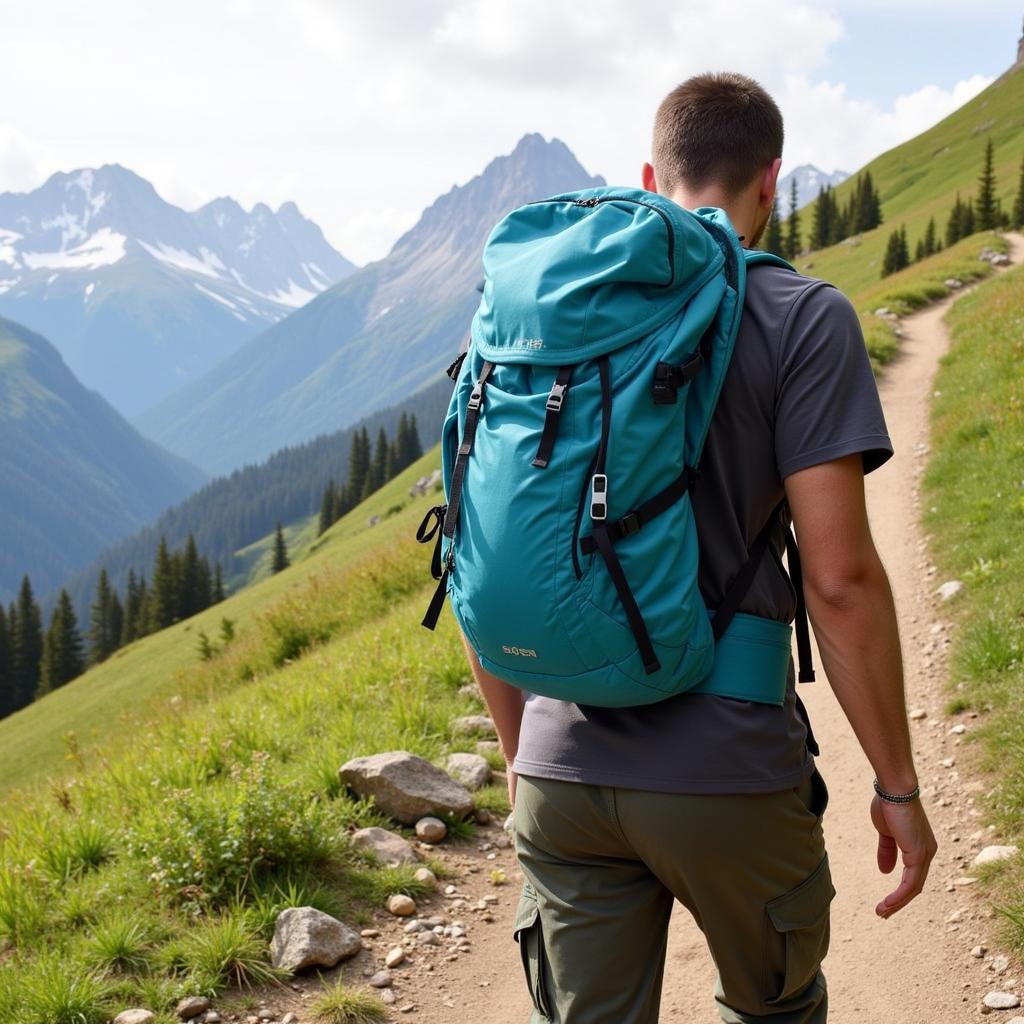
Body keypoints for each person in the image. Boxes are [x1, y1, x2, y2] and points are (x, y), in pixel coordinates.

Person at [459, 71, 937, 1024]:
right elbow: (839, 584)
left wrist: (524, 755)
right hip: (726, 764)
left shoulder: (546, 315)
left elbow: (493, 542)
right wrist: (896, 786)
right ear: (770, 181)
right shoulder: (801, 315)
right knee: (774, 1010)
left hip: (560, 760)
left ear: (649, 173)